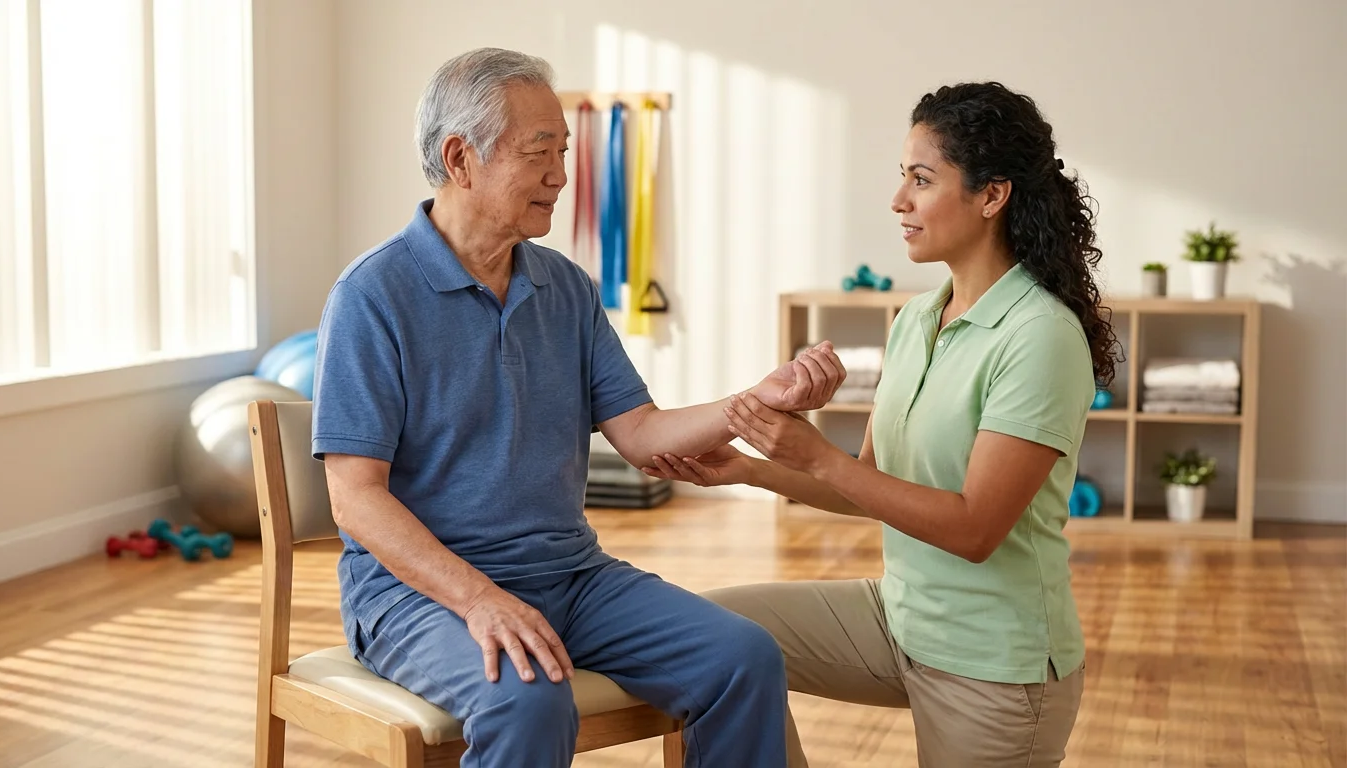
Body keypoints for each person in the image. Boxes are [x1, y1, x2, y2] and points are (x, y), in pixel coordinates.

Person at [311, 47, 848, 768]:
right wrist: (478, 599)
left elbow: (642, 434)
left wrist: (758, 400)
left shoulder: (564, 288)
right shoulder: (372, 296)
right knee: (527, 696)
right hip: (419, 596)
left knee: (741, 656)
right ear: (460, 157)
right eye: (540, 153)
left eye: (562, 152)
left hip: (571, 577)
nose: (561, 177)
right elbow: (355, 499)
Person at [644, 81, 1121, 767]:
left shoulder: (1039, 335)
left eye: (921, 180)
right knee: (708, 638)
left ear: (992, 196)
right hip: (901, 620)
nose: (899, 200)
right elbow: (868, 485)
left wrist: (813, 455)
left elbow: (974, 529)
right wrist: (748, 469)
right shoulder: (919, 320)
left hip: (994, 664)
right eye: (902, 177)